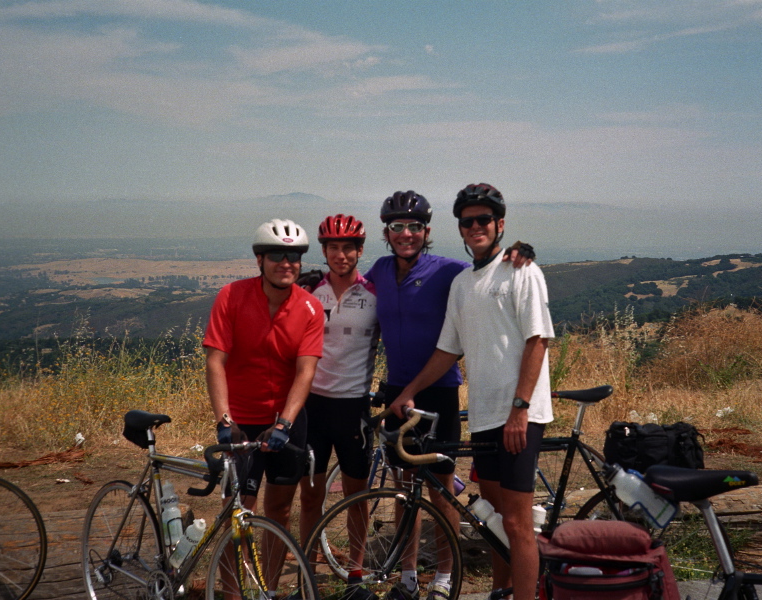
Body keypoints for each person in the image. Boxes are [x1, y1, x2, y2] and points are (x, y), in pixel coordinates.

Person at [364, 191, 534, 600]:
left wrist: (517, 251)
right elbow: (350, 286)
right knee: (403, 490)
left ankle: (443, 573)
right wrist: (316, 280)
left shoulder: (448, 271)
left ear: (427, 231)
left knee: (441, 491)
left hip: (437, 392)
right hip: (396, 393)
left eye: (415, 227)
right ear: (386, 233)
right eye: (397, 227)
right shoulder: (380, 271)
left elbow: (487, 270)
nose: (407, 234)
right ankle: (407, 573)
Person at [203, 218, 324, 591]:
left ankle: (269, 589)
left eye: (294, 256)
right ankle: (233, 593)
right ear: (259, 260)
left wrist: (285, 423)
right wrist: (224, 420)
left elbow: (306, 372)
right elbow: (215, 361)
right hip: (241, 422)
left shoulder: (310, 308)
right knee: (236, 513)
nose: (286, 263)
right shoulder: (232, 296)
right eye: (276, 255)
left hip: (286, 423)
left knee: (280, 510)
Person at [297, 214, 380, 600]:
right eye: (333, 247)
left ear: (360, 250)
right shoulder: (310, 291)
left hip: (354, 408)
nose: (341, 254)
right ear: (324, 250)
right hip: (313, 407)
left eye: (348, 247)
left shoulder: (376, 293)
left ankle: (356, 575)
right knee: (311, 496)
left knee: (356, 497)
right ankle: (307, 576)